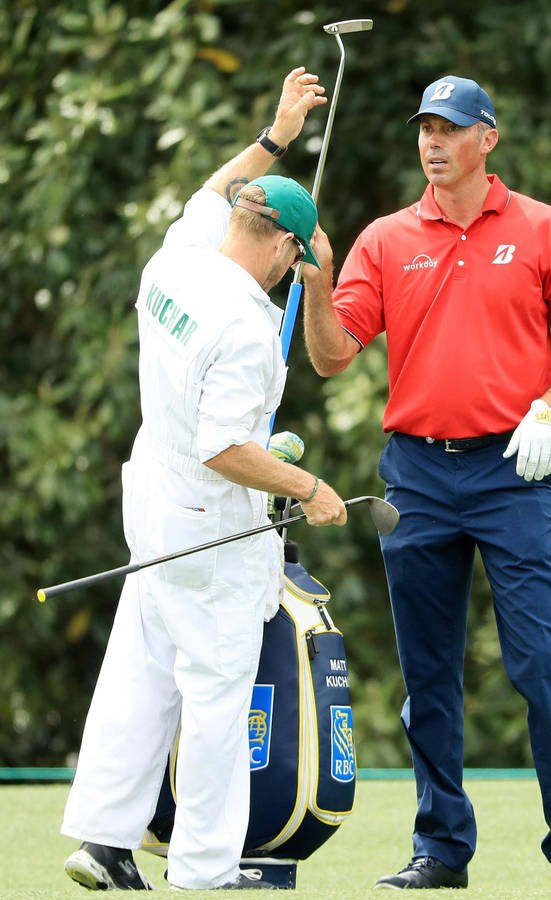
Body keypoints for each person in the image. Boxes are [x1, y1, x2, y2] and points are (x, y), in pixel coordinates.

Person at [301, 75, 551, 891]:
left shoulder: (546, 228)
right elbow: (333, 354)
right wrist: (314, 285)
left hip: (510, 473)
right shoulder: (384, 237)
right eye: (424, 129)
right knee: (428, 675)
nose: (432, 142)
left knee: (541, 661)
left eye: (449, 128)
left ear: (488, 138)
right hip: (414, 474)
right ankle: (441, 850)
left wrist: (548, 410)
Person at [61, 67, 347, 892]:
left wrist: (277, 133)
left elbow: (219, 185)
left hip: (151, 493)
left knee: (141, 662)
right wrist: (307, 487)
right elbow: (227, 447)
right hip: (209, 520)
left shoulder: (177, 254)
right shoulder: (249, 326)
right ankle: (204, 870)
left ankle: (106, 840)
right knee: (219, 692)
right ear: (289, 247)